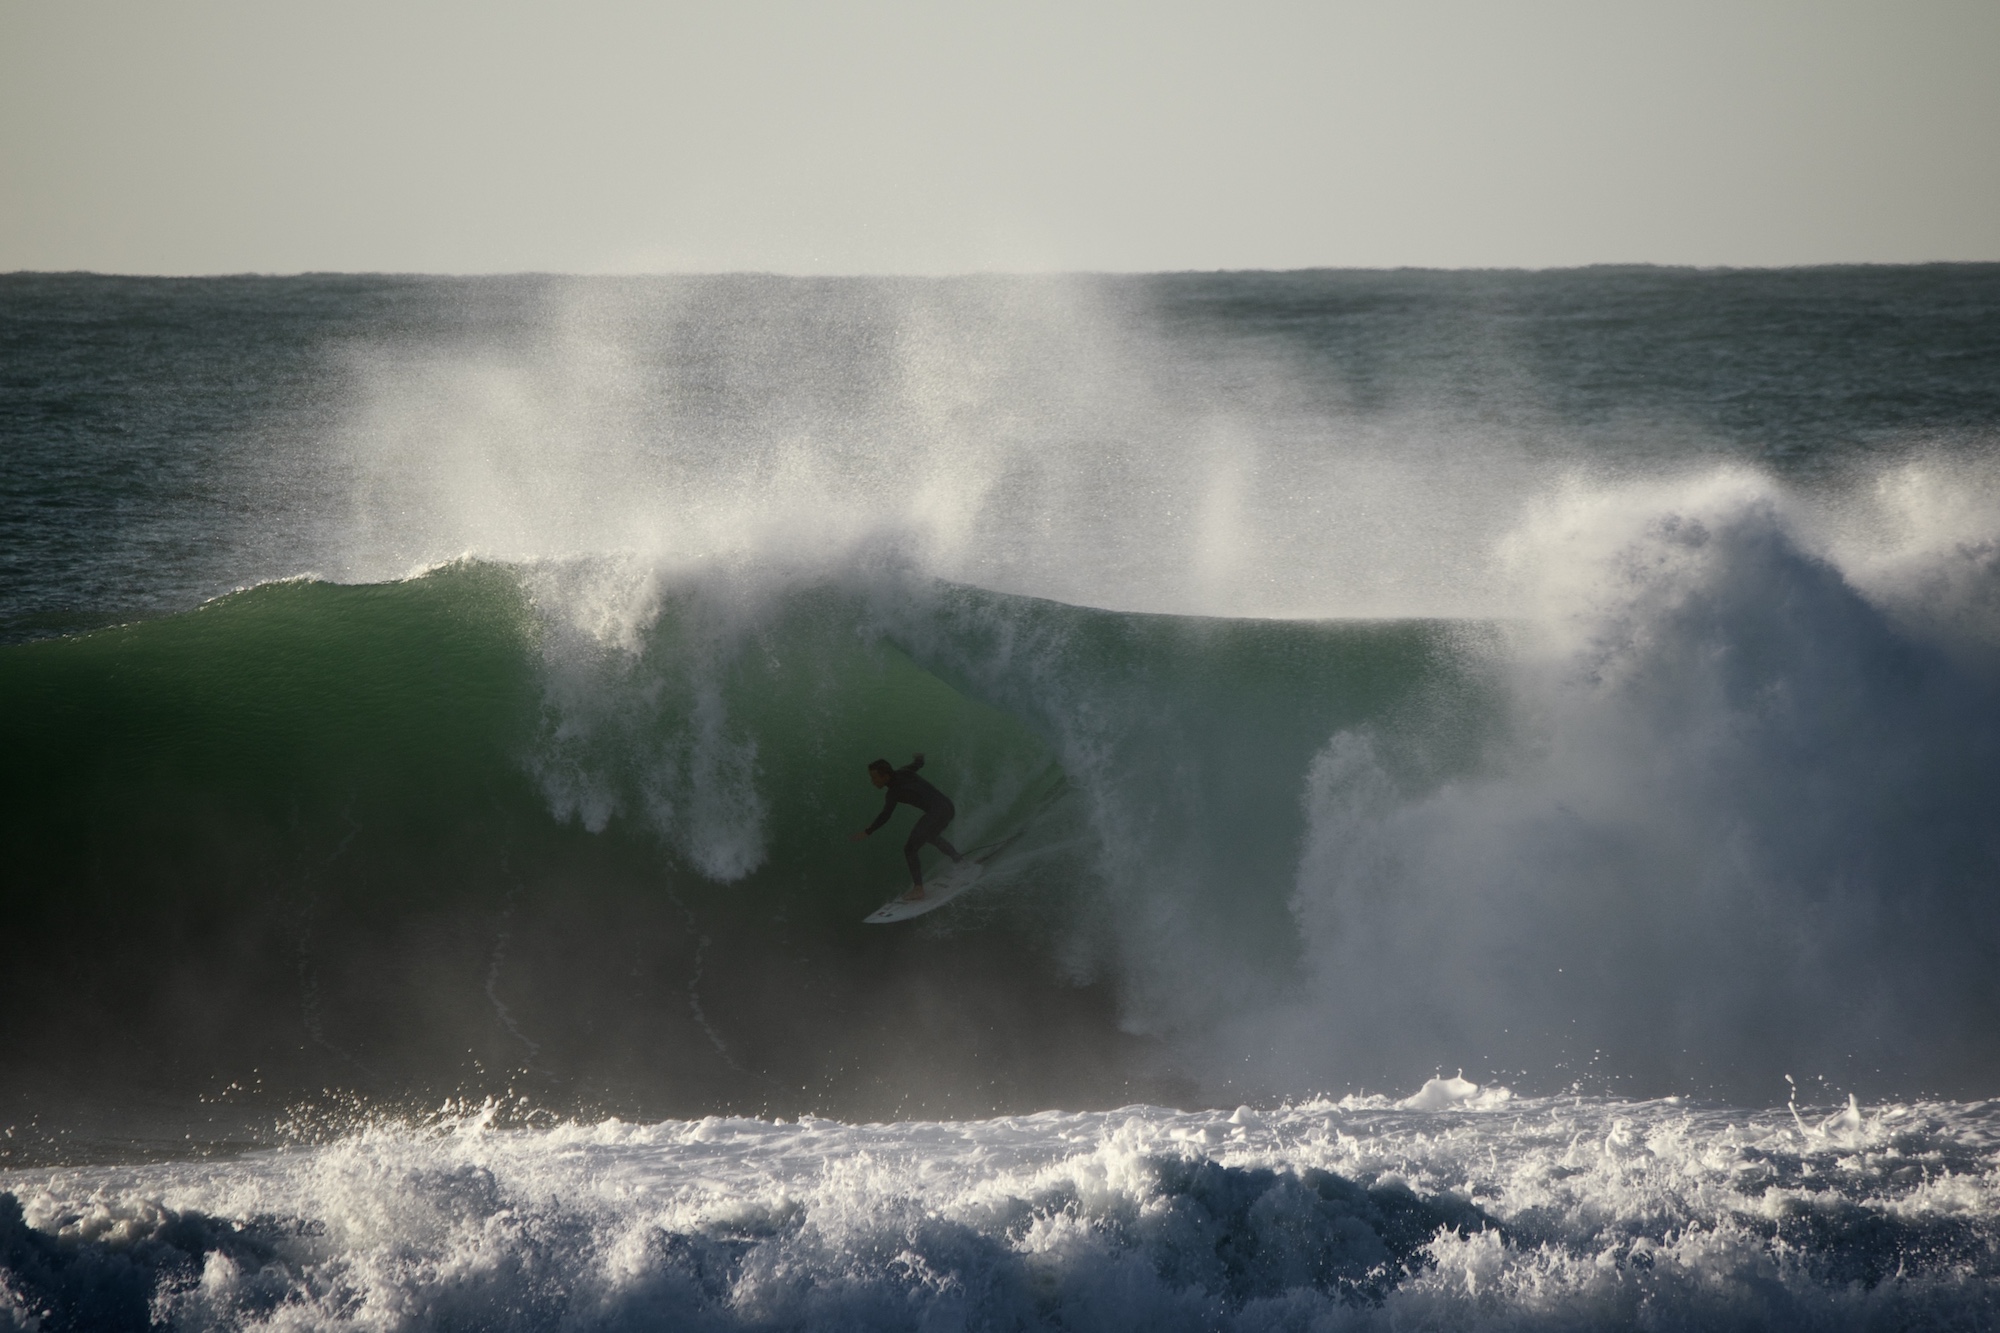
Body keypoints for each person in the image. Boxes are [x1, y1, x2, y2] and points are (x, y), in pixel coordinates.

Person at [850, 752, 962, 900]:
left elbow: (885, 815)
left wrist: (868, 831)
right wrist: (920, 757)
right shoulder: (904, 771)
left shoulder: (893, 792)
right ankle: (958, 860)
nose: (873, 781)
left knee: (910, 849)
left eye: (874, 777)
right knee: (930, 836)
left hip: (937, 812)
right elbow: (918, 764)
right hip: (948, 807)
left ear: (885, 776)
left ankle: (918, 889)